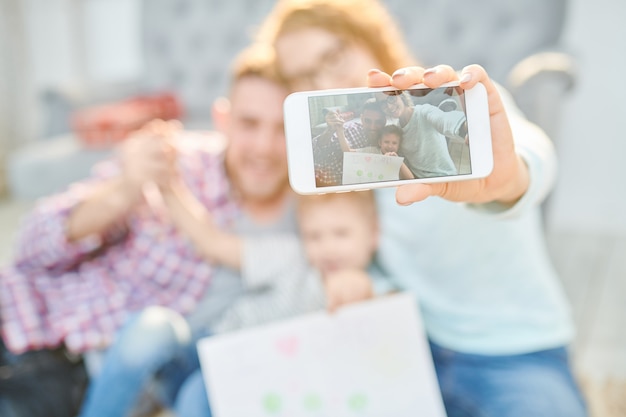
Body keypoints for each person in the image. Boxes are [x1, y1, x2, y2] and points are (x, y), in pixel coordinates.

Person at [255, 0, 588, 416]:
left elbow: (532, 154)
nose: (324, 77)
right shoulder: (348, 163)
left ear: (369, 37)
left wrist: (511, 179)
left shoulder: (456, 103)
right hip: (407, 342)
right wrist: (364, 281)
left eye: (333, 54)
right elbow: (377, 254)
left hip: (514, 349)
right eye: (302, 75)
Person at [0, 43, 295, 416]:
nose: (264, 147)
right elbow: (29, 246)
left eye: (283, 129)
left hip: (74, 375)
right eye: (250, 123)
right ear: (223, 120)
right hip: (19, 304)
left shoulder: (309, 224)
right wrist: (123, 190)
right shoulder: (175, 159)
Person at [174, 190, 379, 417]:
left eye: (341, 234)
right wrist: (167, 188)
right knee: (195, 394)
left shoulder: (375, 287)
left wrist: (361, 290)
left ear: (373, 234)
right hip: (218, 343)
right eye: (314, 236)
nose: (327, 248)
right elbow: (214, 244)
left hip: (270, 376)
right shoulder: (291, 257)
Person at [375, 90, 465, 178]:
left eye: (391, 98)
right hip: (417, 180)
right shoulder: (397, 132)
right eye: (383, 103)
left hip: (443, 176)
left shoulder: (424, 111)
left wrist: (466, 125)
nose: (389, 106)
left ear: (401, 95)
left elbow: (446, 120)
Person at [312, 99, 386, 186]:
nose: (372, 127)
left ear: (384, 121)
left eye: (378, 122)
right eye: (368, 121)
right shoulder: (348, 129)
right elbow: (316, 149)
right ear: (361, 119)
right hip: (318, 178)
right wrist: (330, 130)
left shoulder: (388, 141)